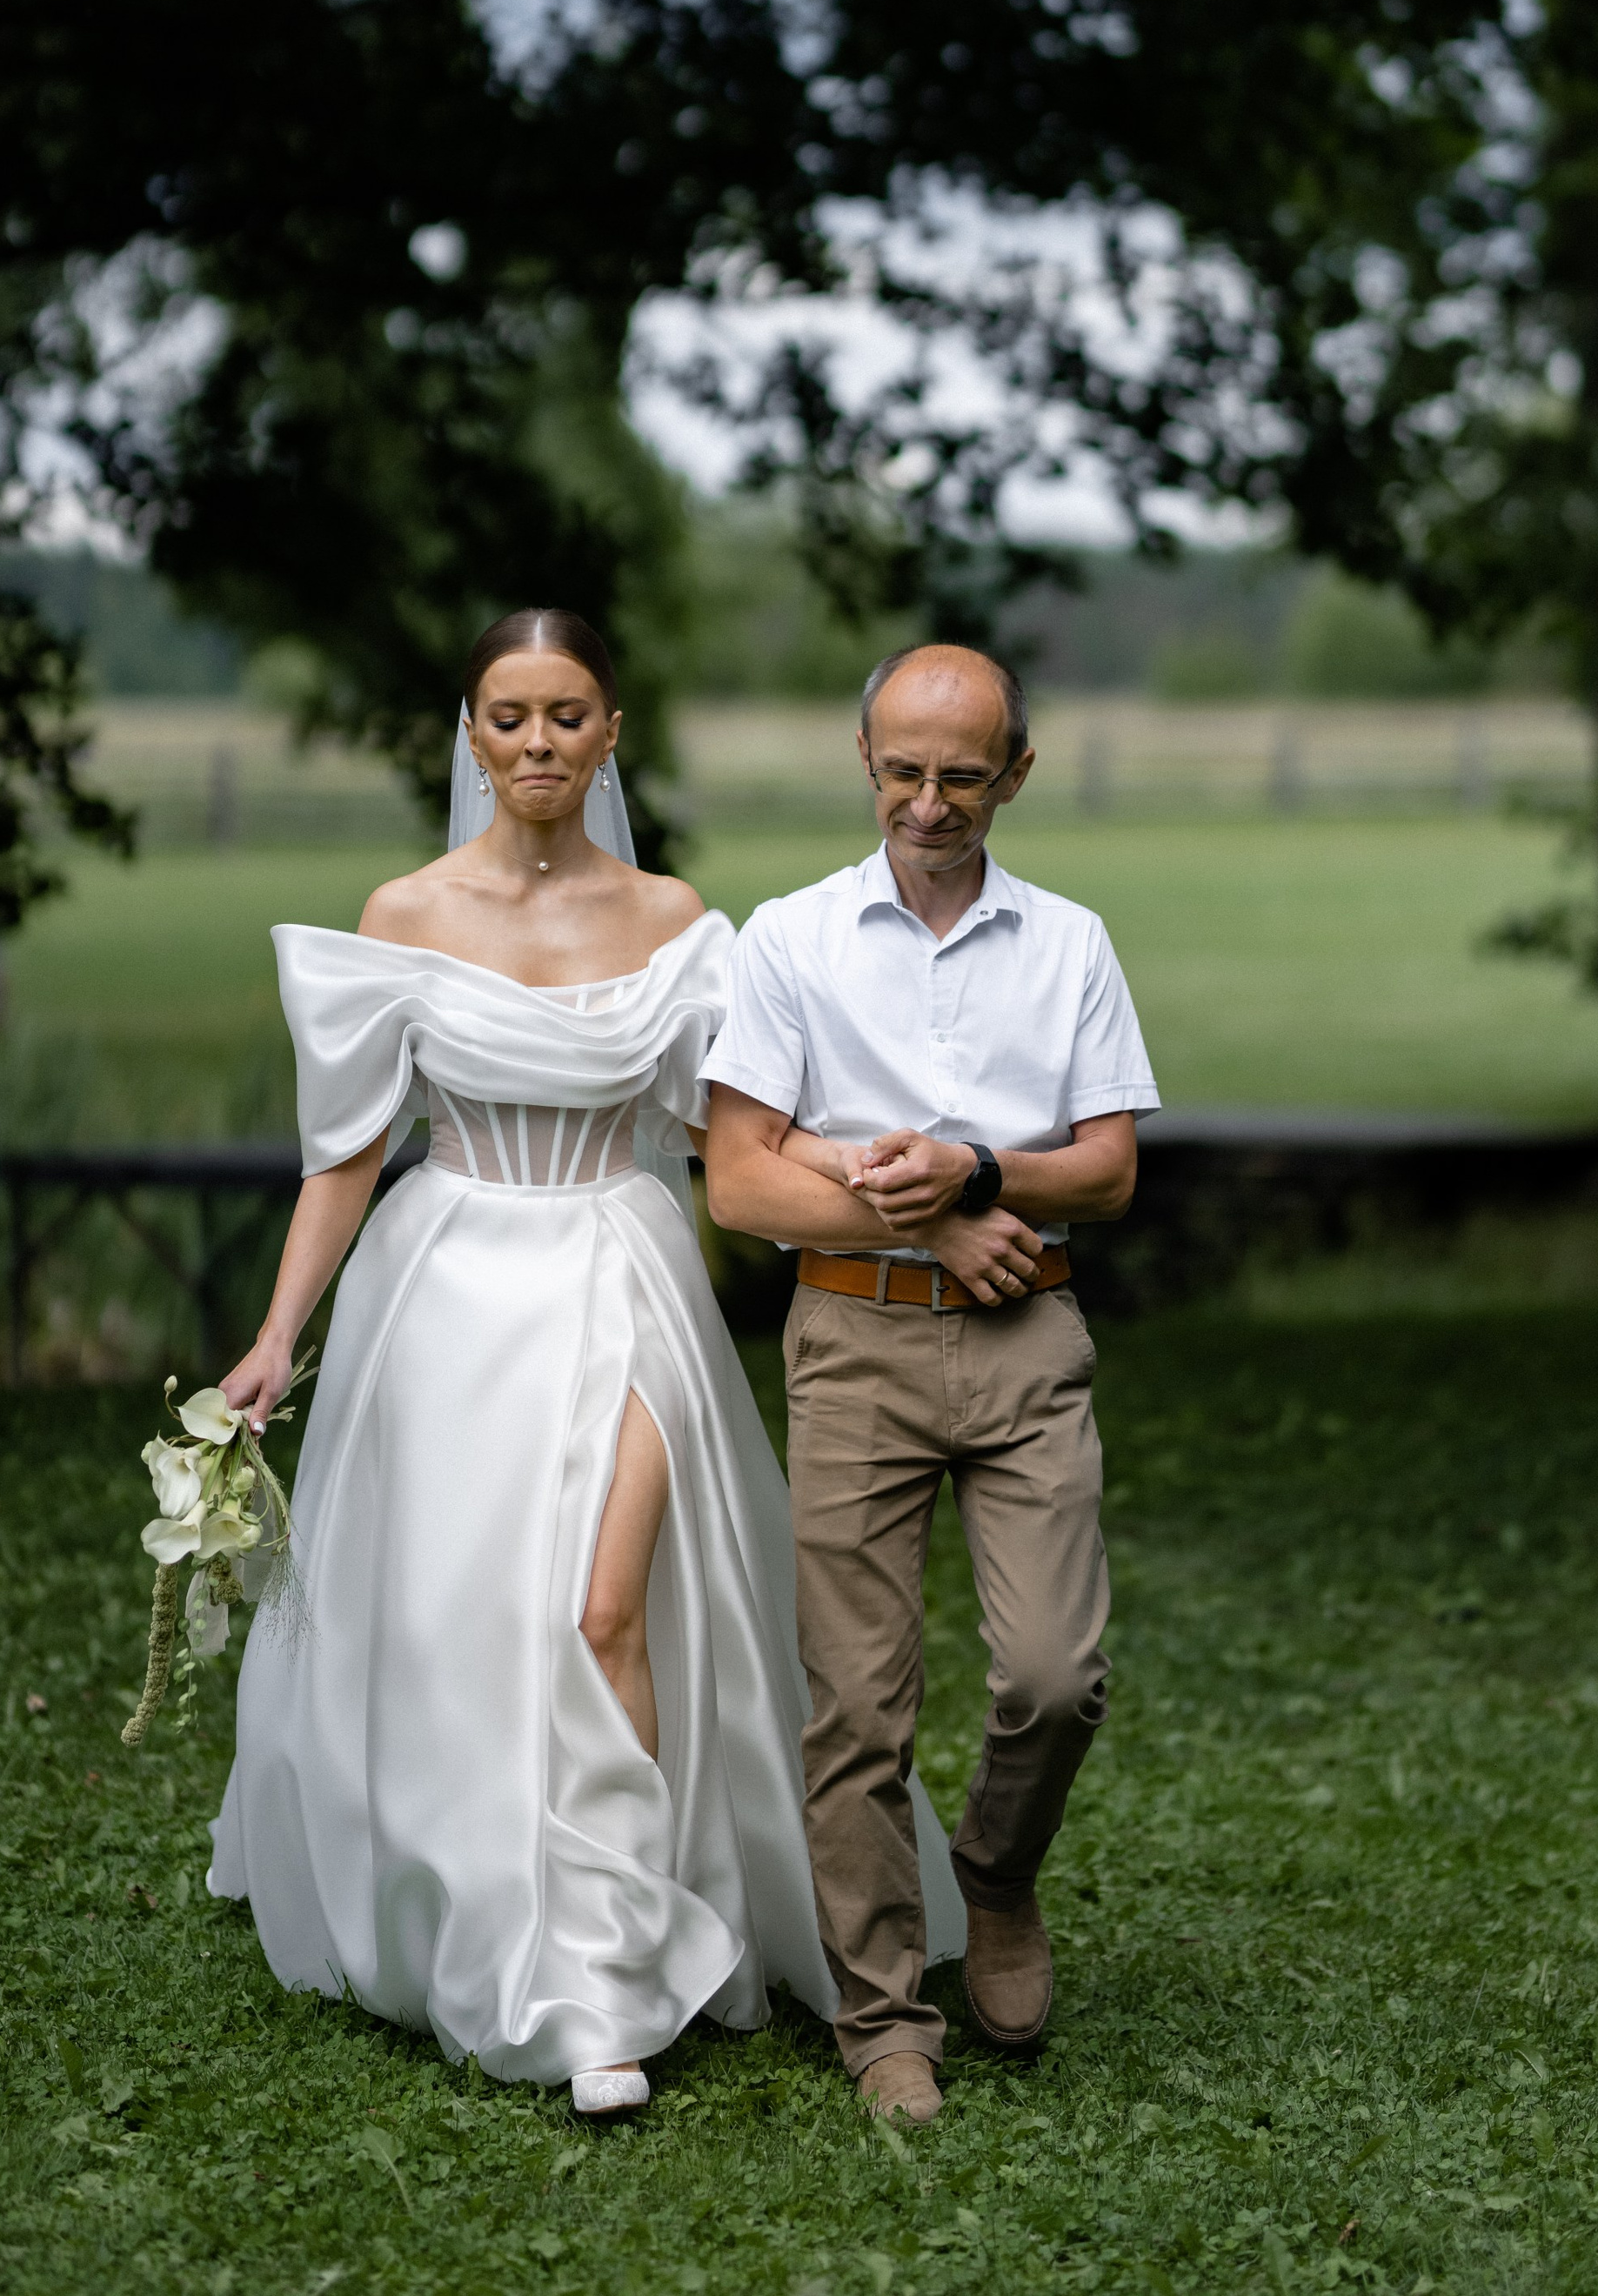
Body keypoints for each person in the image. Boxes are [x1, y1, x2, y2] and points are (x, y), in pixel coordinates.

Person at [207, 608, 958, 2115]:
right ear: (470, 732)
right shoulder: (404, 913)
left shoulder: (680, 920)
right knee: (475, 1622)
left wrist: (921, 1196)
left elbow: (738, 1133)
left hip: (622, 1265)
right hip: (449, 1288)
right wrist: (279, 1334)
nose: (537, 742)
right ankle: (531, 1947)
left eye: (566, 714)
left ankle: (612, 1946)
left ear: (612, 731)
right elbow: (345, 1153)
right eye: (508, 714)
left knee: (610, 1602)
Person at [702, 642, 1158, 2129]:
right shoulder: (789, 938)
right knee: (858, 1708)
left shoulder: (1072, 943)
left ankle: (998, 1875)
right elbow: (739, 1176)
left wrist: (979, 1169)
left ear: (1015, 773)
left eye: (962, 774)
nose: (928, 799)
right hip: (854, 1335)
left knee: (1054, 1676)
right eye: (902, 768)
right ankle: (886, 2015)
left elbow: (1109, 1166)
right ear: (865, 760)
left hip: (1032, 1335)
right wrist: (931, 1219)